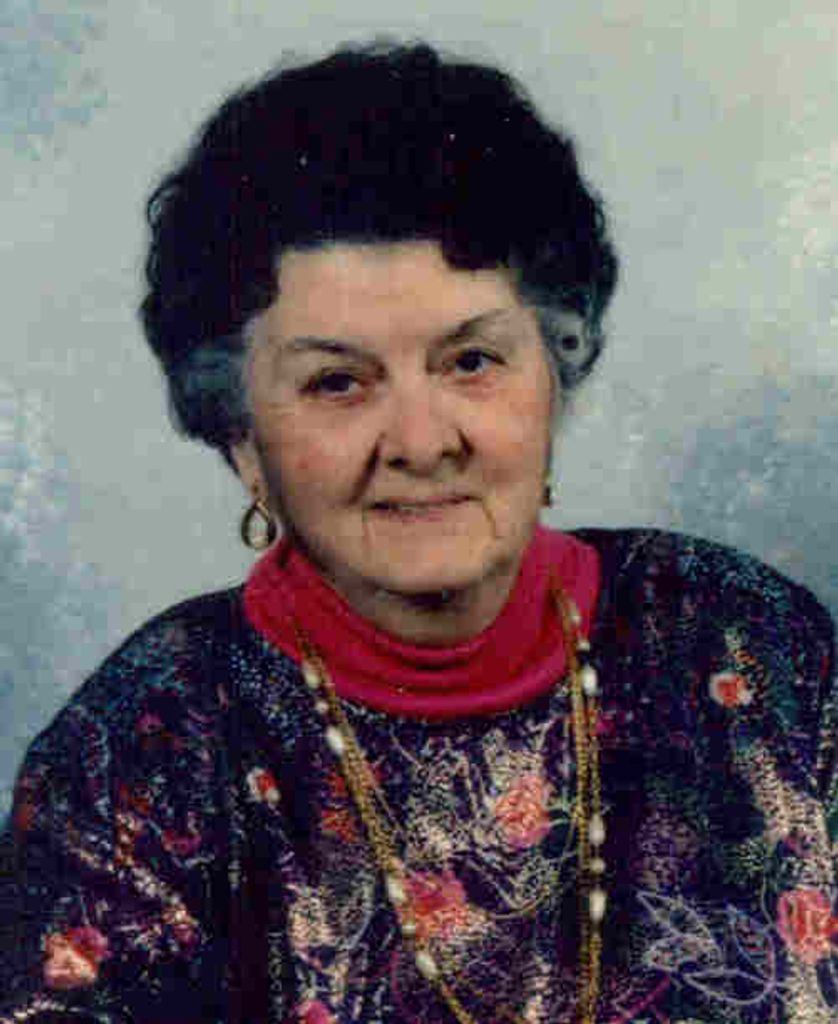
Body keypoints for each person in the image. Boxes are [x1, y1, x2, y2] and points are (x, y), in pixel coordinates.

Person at [1, 41, 835, 1024]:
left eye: (471, 361)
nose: (422, 441)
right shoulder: (139, 758)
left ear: (555, 376)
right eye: (338, 382)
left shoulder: (749, 643)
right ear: (243, 442)